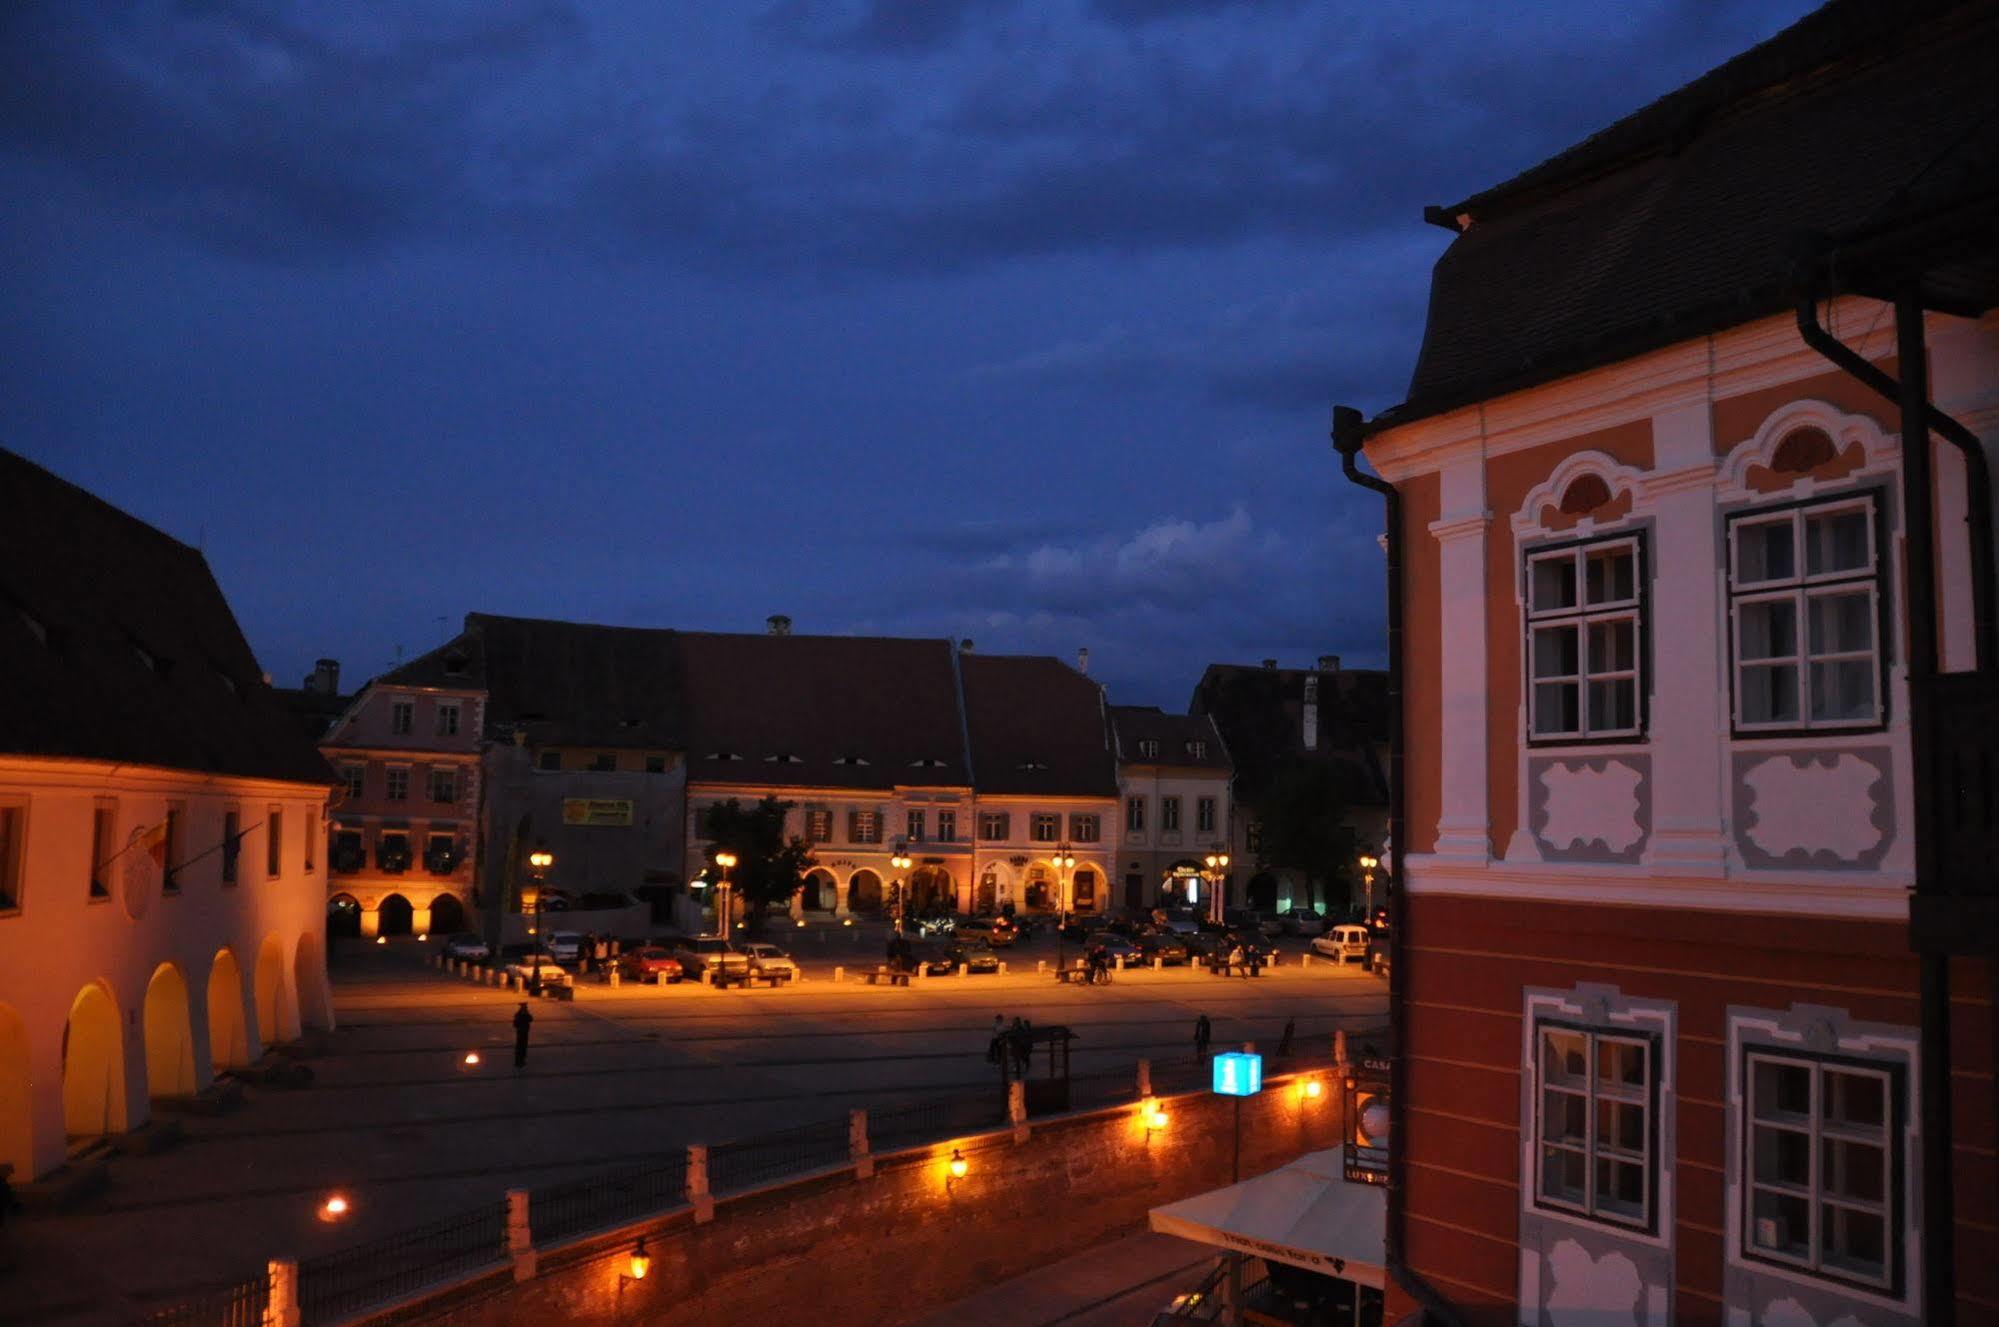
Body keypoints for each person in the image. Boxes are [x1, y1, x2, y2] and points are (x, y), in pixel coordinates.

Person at [512, 1002, 534, 1069]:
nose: (525, 1009)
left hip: (524, 1033)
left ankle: (521, 1060)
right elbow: (515, 1024)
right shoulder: (518, 1015)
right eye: (524, 1008)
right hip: (521, 1033)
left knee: (523, 1048)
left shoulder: (524, 1014)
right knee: (520, 1048)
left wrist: (526, 1014)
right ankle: (518, 1062)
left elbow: (531, 1019)